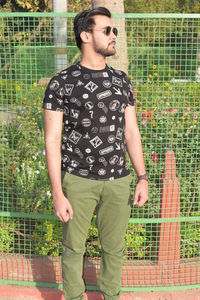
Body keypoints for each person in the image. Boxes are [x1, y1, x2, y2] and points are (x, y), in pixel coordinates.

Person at [43, 7, 148, 300]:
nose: (114, 35)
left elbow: (131, 132)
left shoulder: (121, 81)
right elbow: (52, 140)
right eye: (107, 30)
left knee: (114, 248)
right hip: (77, 180)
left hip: (118, 180)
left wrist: (142, 176)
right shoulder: (61, 83)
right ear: (85, 35)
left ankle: (111, 296)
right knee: (74, 248)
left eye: (114, 30)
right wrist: (57, 192)